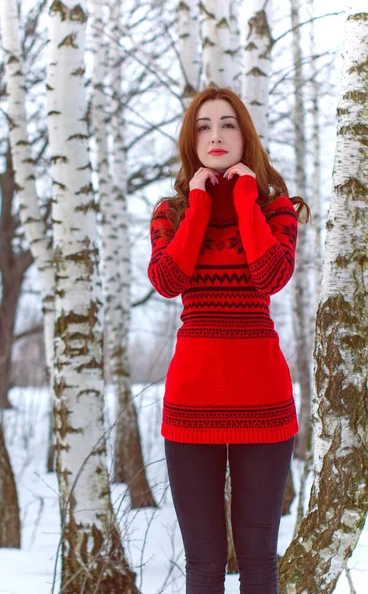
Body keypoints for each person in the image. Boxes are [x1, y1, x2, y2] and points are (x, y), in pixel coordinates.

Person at [147, 86, 311, 594]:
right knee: (203, 563)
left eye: (227, 124)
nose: (215, 135)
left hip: (263, 404)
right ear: (190, 140)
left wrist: (244, 199)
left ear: (246, 135)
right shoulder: (169, 212)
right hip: (191, 404)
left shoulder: (275, 208)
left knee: (260, 560)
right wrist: (198, 204)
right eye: (203, 126)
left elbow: (269, 276)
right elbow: (168, 280)